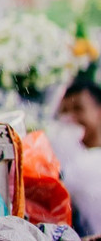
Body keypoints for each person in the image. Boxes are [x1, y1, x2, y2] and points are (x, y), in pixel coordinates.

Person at [52, 79, 101, 237]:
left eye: (78, 109)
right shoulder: (63, 155)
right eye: (65, 111)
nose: (70, 118)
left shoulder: (86, 162)